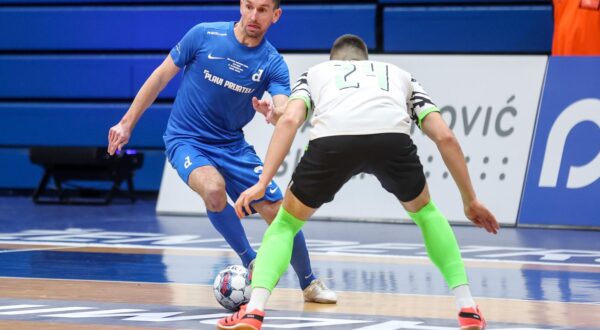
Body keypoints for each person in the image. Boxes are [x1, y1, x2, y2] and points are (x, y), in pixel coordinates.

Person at [218, 34, 500, 330]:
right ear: (366, 60)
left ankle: (254, 311)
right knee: (427, 213)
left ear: (333, 61)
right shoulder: (399, 74)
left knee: (286, 223)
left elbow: (290, 120)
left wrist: (263, 182)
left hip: (332, 142)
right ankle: (467, 307)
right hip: (391, 139)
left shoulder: (316, 73)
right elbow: (446, 137)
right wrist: (470, 200)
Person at [107, 0, 336, 304]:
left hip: (232, 145)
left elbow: (283, 107)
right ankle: (250, 259)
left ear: (276, 15)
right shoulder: (203, 35)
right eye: (249, 6)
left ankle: (309, 283)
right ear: (241, 6)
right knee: (214, 189)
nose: (254, 16)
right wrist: (126, 123)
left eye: (264, 9)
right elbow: (161, 76)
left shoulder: (272, 62)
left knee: (279, 212)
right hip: (186, 138)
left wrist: (274, 112)